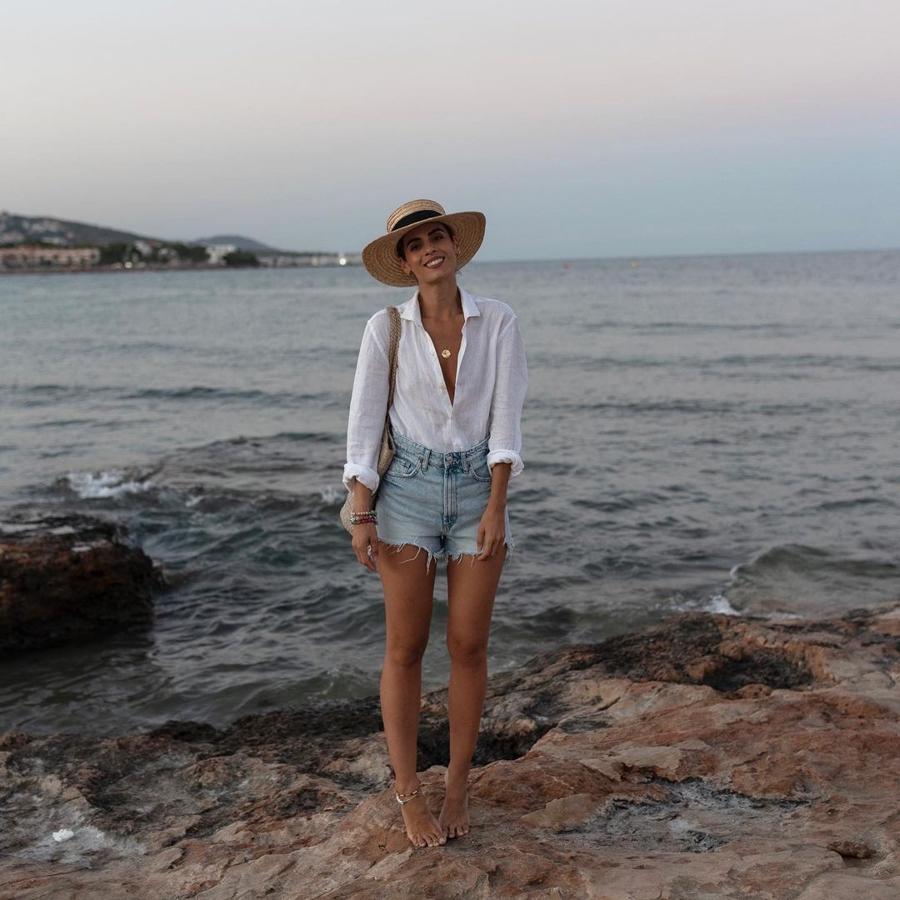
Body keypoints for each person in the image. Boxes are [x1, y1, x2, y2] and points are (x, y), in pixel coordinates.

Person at [343, 199, 527, 849]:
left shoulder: (498, 320)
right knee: (405, 648)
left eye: (438, 236)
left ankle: (457, 785)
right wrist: (362, 512)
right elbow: (364, 424)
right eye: (416, 244)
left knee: (469, 646)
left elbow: (507, 420)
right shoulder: (385, 329)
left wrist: (497, 505)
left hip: (479, 489)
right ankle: (407, 793)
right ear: (404, 262)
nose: (430, 249)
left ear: (455, 245)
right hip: (407, 493)